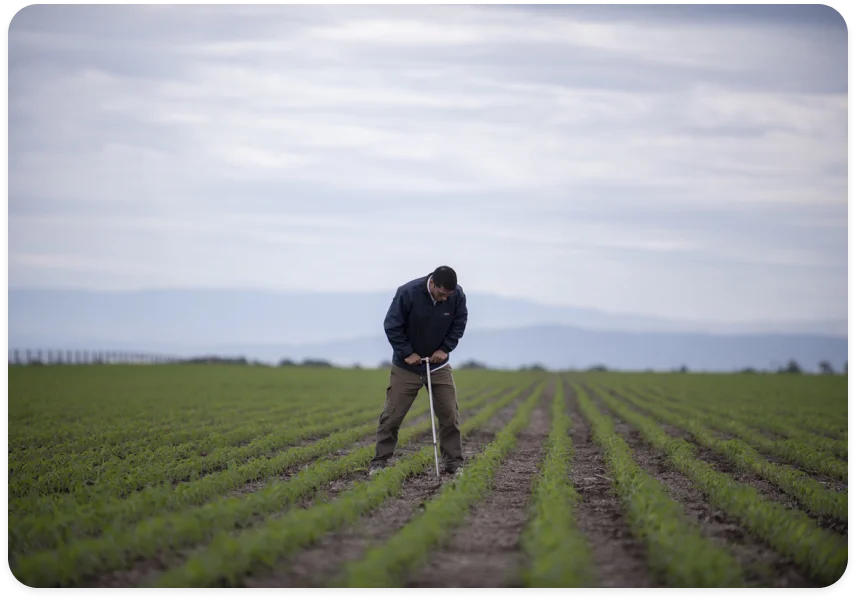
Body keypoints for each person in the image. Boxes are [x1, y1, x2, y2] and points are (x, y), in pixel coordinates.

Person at [369, 266, 468, 477]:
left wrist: (445, 348)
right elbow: (392, 325)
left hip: (437, 365)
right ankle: (379, 462)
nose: (444, 299)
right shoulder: (408, 292)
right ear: (432, 284)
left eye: (447, 296)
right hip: (407, 366)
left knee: (450, 415)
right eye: (441, 294)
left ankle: (454, 462)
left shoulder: (456, 295)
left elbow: (459, 323)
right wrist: (407, 353)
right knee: (392, 416)